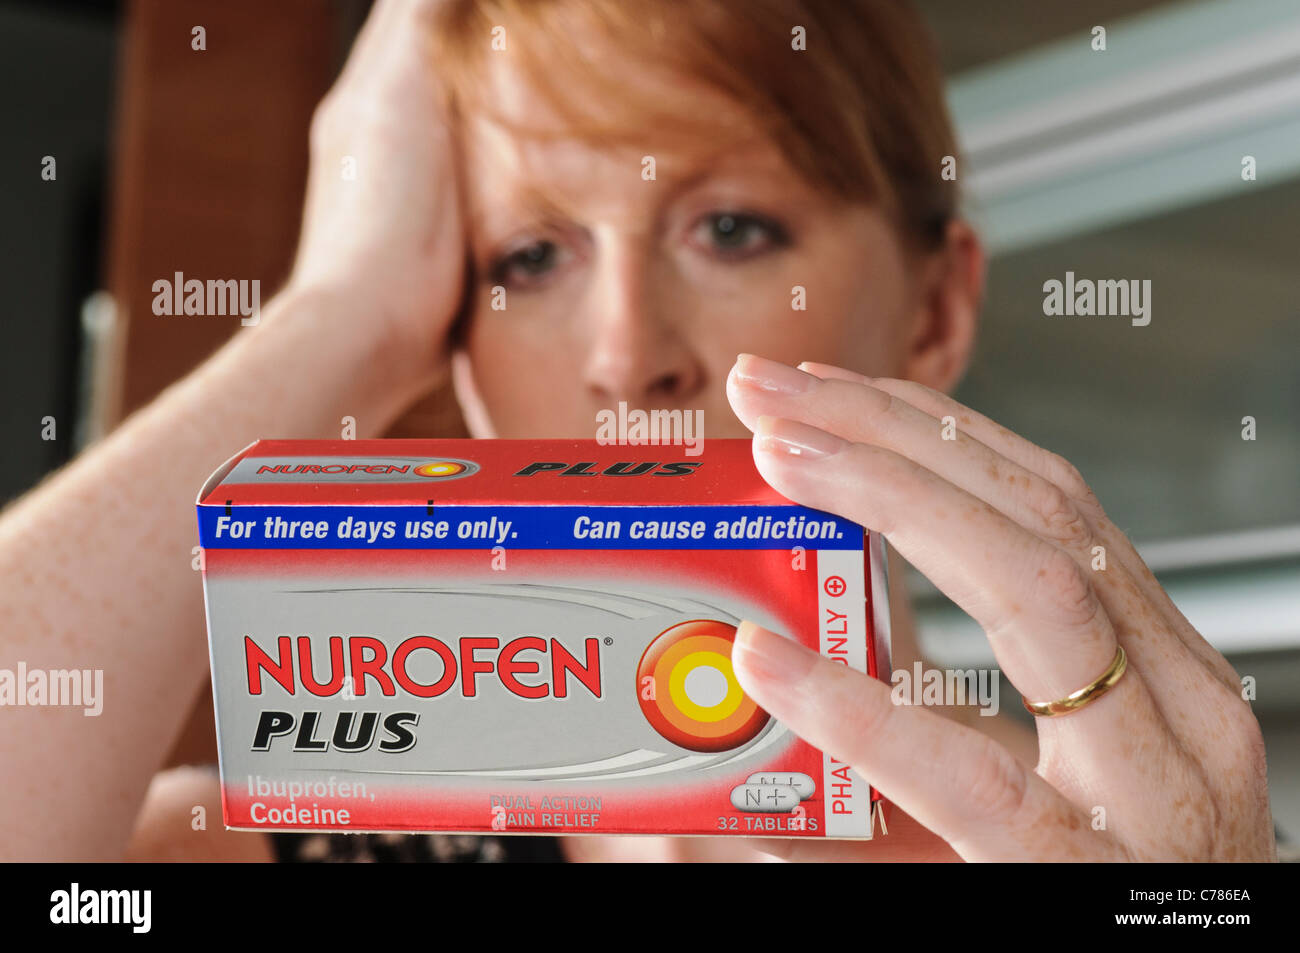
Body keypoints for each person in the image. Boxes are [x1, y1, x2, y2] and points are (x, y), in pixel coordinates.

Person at [0, 0, 1275, 863]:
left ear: (936, 308)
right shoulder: (302, 844)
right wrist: (339, 312)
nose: (624, 352)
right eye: (531, 254)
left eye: (729, 230)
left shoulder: (1132, 850)